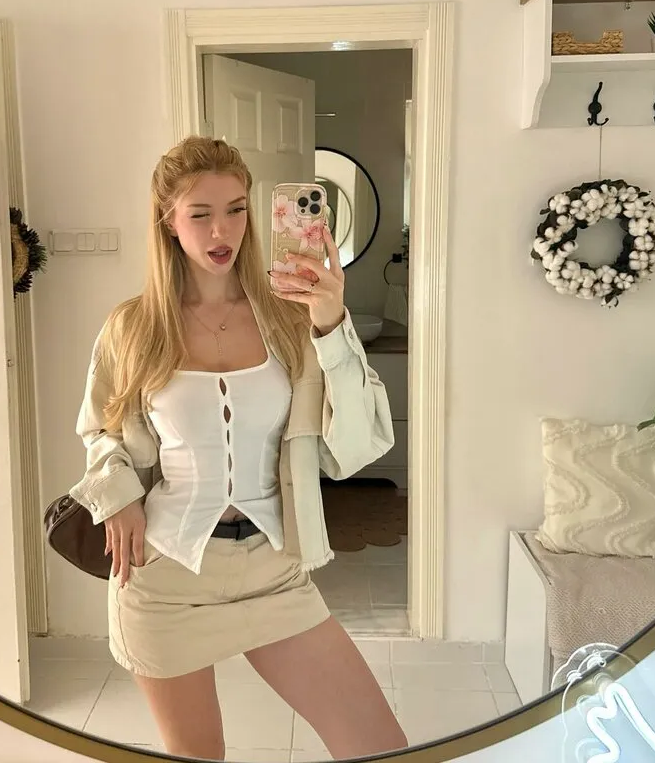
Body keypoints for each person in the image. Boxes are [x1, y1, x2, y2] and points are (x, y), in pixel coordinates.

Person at [69, 136, 408, 760]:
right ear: (168, 222)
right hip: (164, 578)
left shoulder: (291, 319)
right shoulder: (134, 326)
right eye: (200, 214)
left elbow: (357, 444)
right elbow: (101, 429)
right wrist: (117, 497)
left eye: (236, 209)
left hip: (272, 570)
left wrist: (332, 322)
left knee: (379, 745)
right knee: (200, 754)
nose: (221, 230)